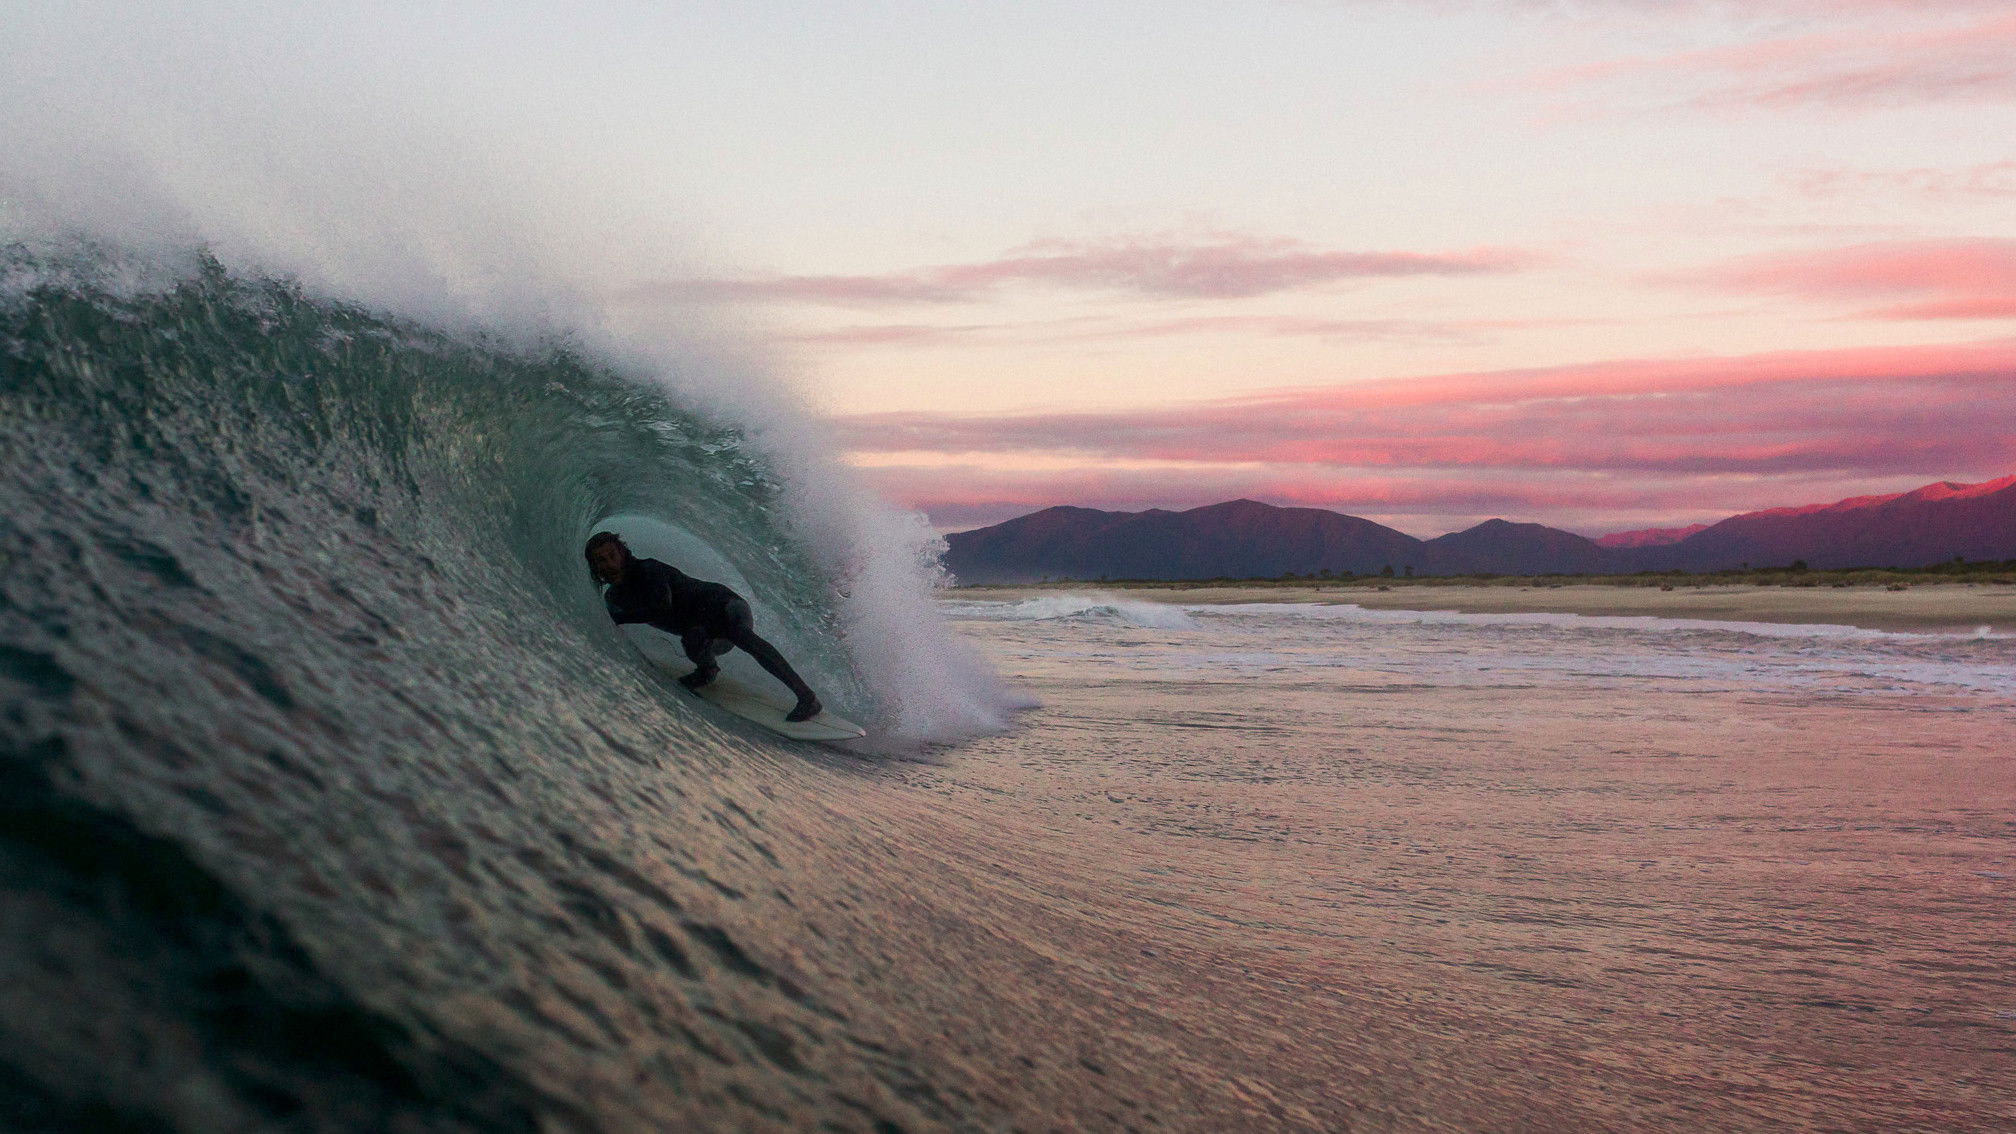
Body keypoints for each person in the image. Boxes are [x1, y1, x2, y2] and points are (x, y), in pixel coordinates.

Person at [585, 532, 824, 722]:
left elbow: (661, 607)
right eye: (601, 560)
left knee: (737, 638)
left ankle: (807, 698)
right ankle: (707, 670)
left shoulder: (648, 570)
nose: (608, 564)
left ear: (622, 554)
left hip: (723, 605)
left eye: (612, 556)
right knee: (694, 638)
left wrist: (620, 619)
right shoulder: (616, 596)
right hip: (701, 629)